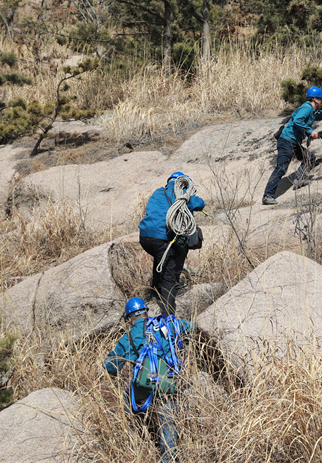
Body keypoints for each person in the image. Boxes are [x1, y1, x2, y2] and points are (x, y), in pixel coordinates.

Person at [105, 298, 193, 463]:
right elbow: (192, 328)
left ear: (129, 319)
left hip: (145, 386)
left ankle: (136, 435)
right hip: (169, 382)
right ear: (148, 313)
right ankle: (169, 459)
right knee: (167, 421)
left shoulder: (129, 337)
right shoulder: (168, 325)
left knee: (127, 399)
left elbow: (111, 367)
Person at [262, 86, 322, 205]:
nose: (321, 101)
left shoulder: (314, 112)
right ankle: (267, 195)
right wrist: (311, 132)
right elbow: (298, 121)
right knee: (281, 168)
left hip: (294, 142)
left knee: (309, 158)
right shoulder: (307, 108)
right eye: (320, 99)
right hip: (286, 141)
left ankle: (298, 179)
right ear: (315, 99)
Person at [139, 172, 205, 315]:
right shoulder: (182, 194)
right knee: (168, 277)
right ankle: (168, 316)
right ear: (183, 183)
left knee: (160, 260)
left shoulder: (158, 192)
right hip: (163, 239)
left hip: (145, 237)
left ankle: (155, 292)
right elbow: (199, 203)